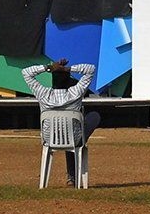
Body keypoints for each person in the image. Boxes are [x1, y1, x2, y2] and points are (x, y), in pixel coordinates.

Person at [21, 58, 98, 186]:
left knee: (69, 131)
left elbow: (26, 72)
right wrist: (66, 69)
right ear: (69, 81)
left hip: (49, 138)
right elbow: (90, 69)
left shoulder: (43, 94)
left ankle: (71, 176)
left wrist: (49, 67)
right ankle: (73, 172)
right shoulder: (75, 92)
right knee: (93, 116)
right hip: (73, 137)